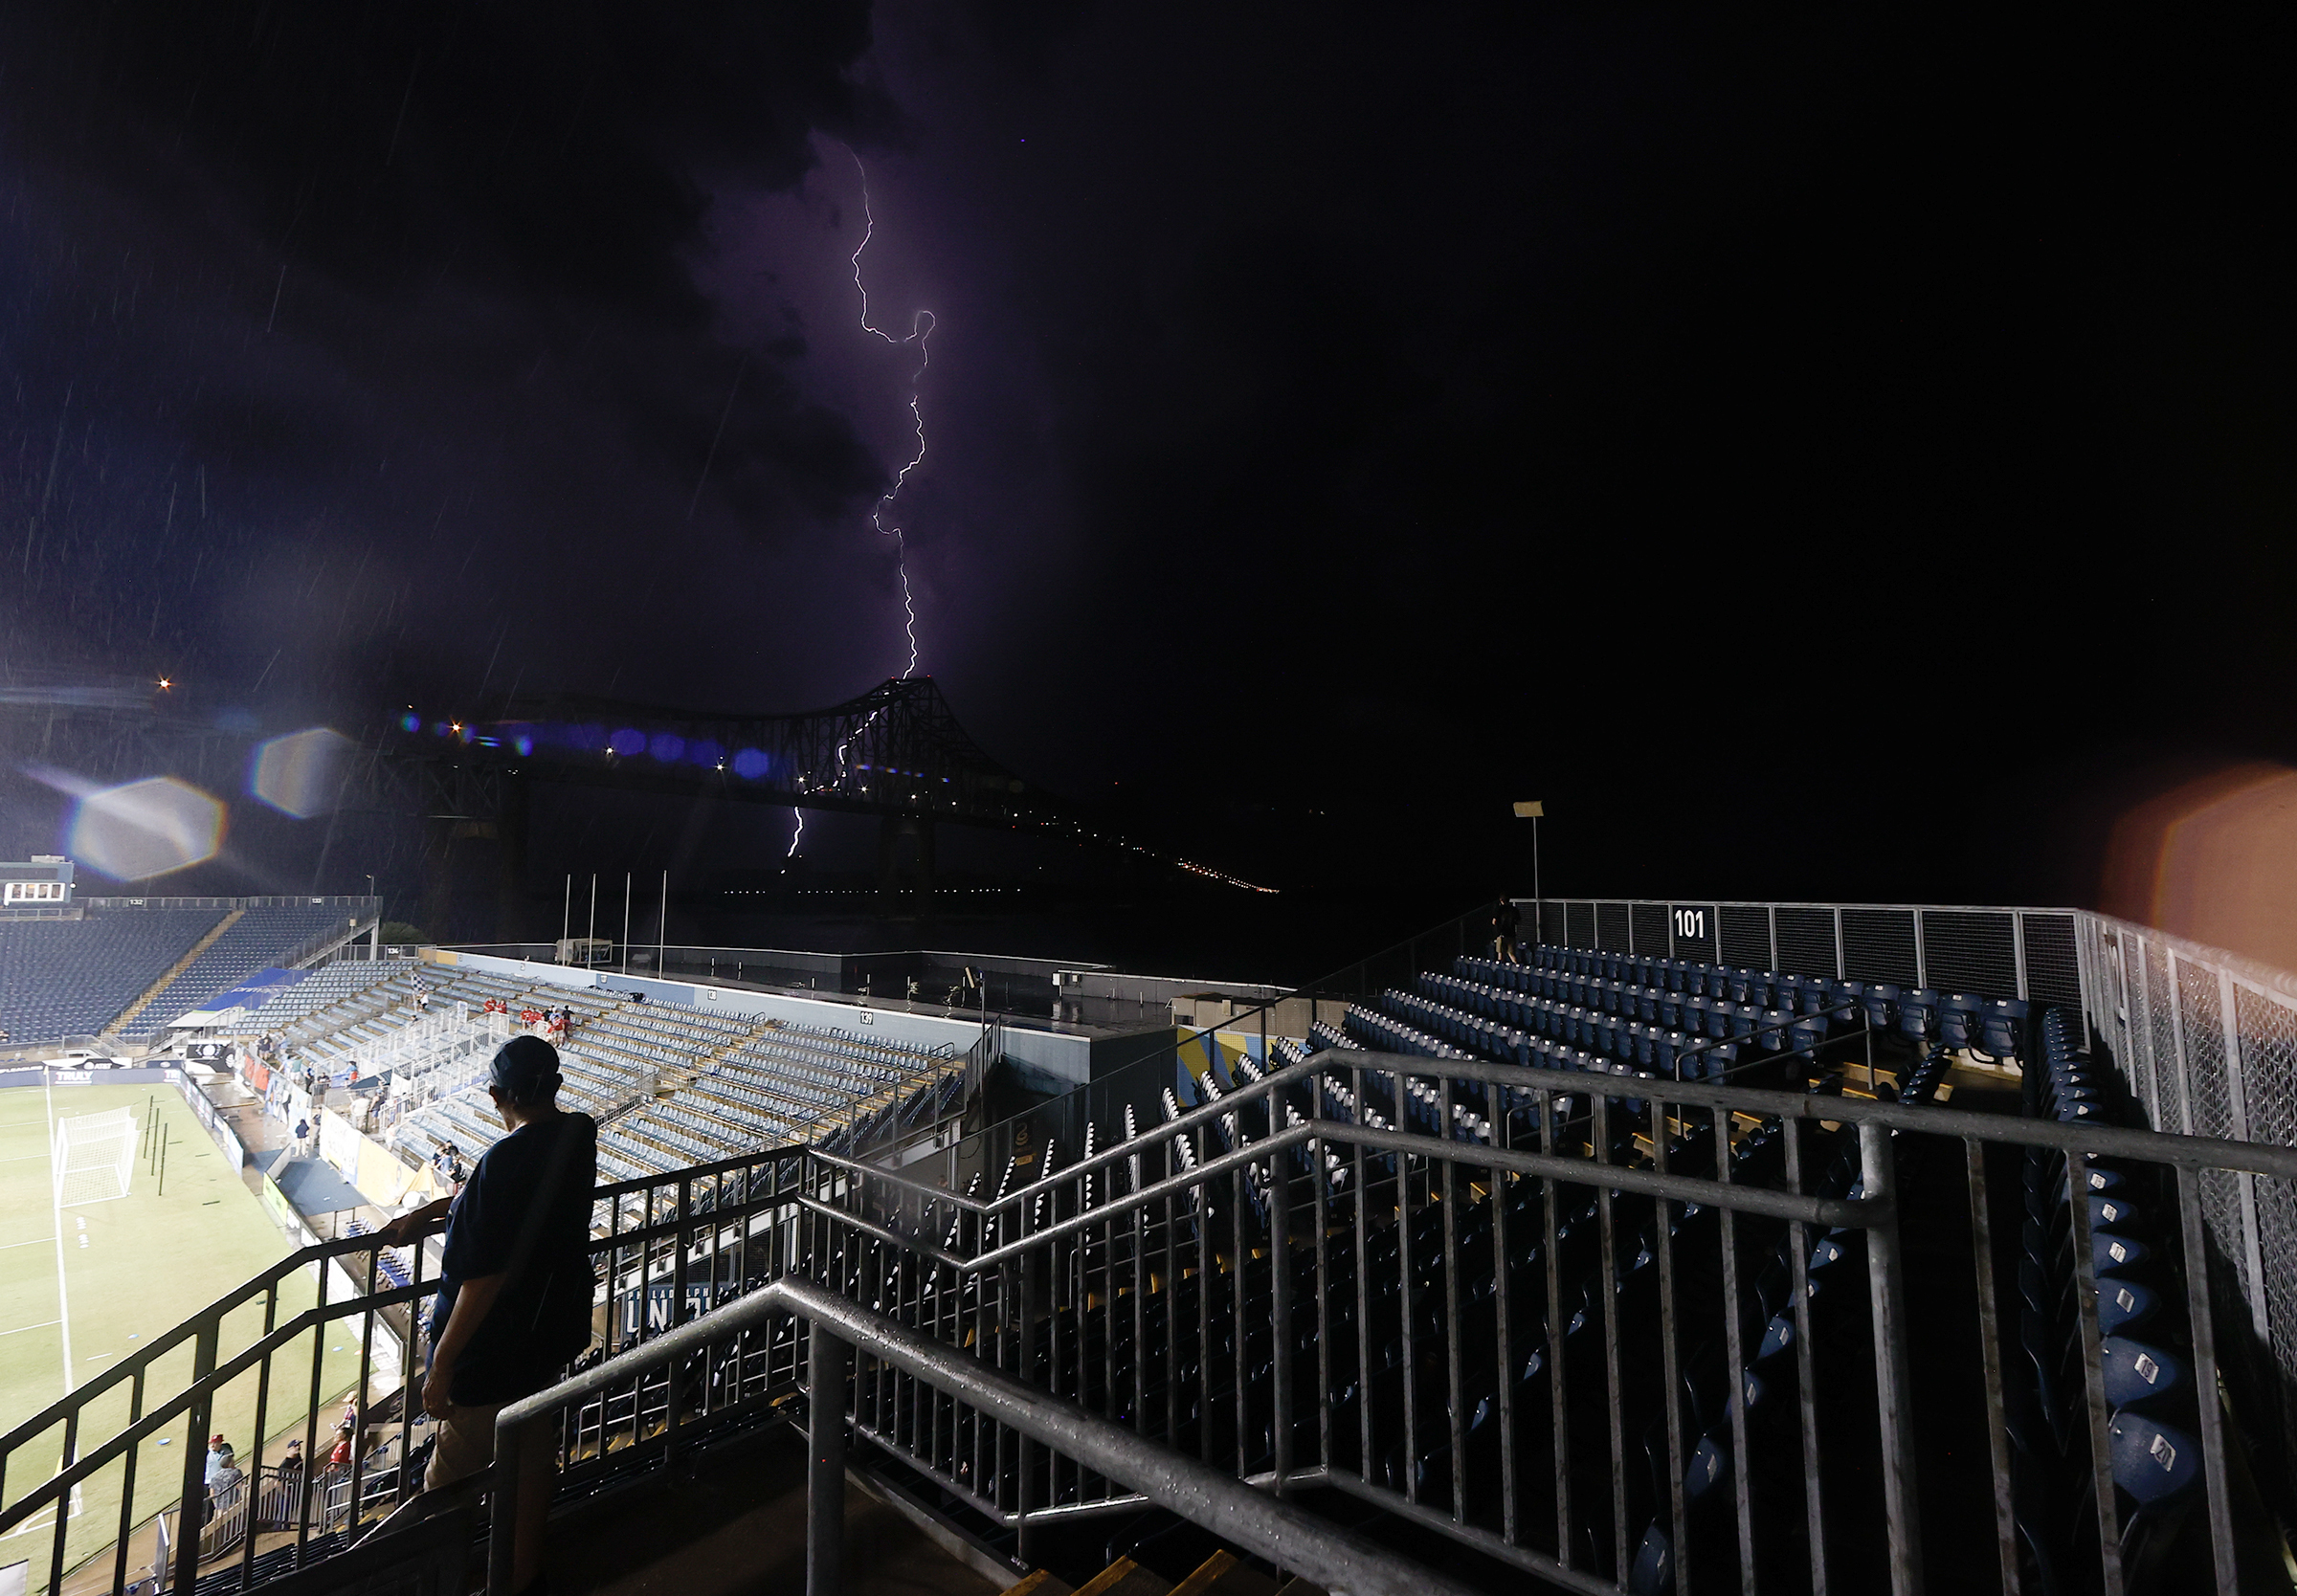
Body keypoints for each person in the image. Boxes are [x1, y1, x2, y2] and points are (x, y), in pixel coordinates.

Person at [373, 1034, 597, 1596]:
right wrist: (427, 1215)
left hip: (490, 1353)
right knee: (530, 1460)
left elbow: (484, 1278)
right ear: (557, 1085)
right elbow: (499, 1198)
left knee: (441, 1493)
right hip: (545, 1335)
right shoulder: (577, 1133)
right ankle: (523, 1578)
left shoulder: (503, 1160)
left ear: (497, 1094)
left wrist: (443, 1366)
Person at [1493, 898, 1522, 964]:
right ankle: (1517, 967)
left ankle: (1501, 970)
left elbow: (1494, 921)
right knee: (1511, 954)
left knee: (1500, 955)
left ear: (1501, 900)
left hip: (1501, 934)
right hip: (1511, 934)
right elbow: (1518, 921)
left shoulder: (1499, 909)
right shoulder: (1514, 909)